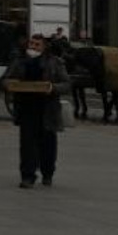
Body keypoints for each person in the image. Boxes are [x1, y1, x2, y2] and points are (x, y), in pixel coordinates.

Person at [5, 32, 70, 187]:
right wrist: (9, 84)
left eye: (36, 45)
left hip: (47, 109)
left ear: (44, 47)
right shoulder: (19, 61)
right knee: (27, 144)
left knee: (48, 144)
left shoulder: (55, 62)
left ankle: (48, 173)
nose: (32, 47)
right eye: (31, 44)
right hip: (27, 108)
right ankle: (27, 176)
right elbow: (6, 78)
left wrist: (52, 87)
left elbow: (67, 84)